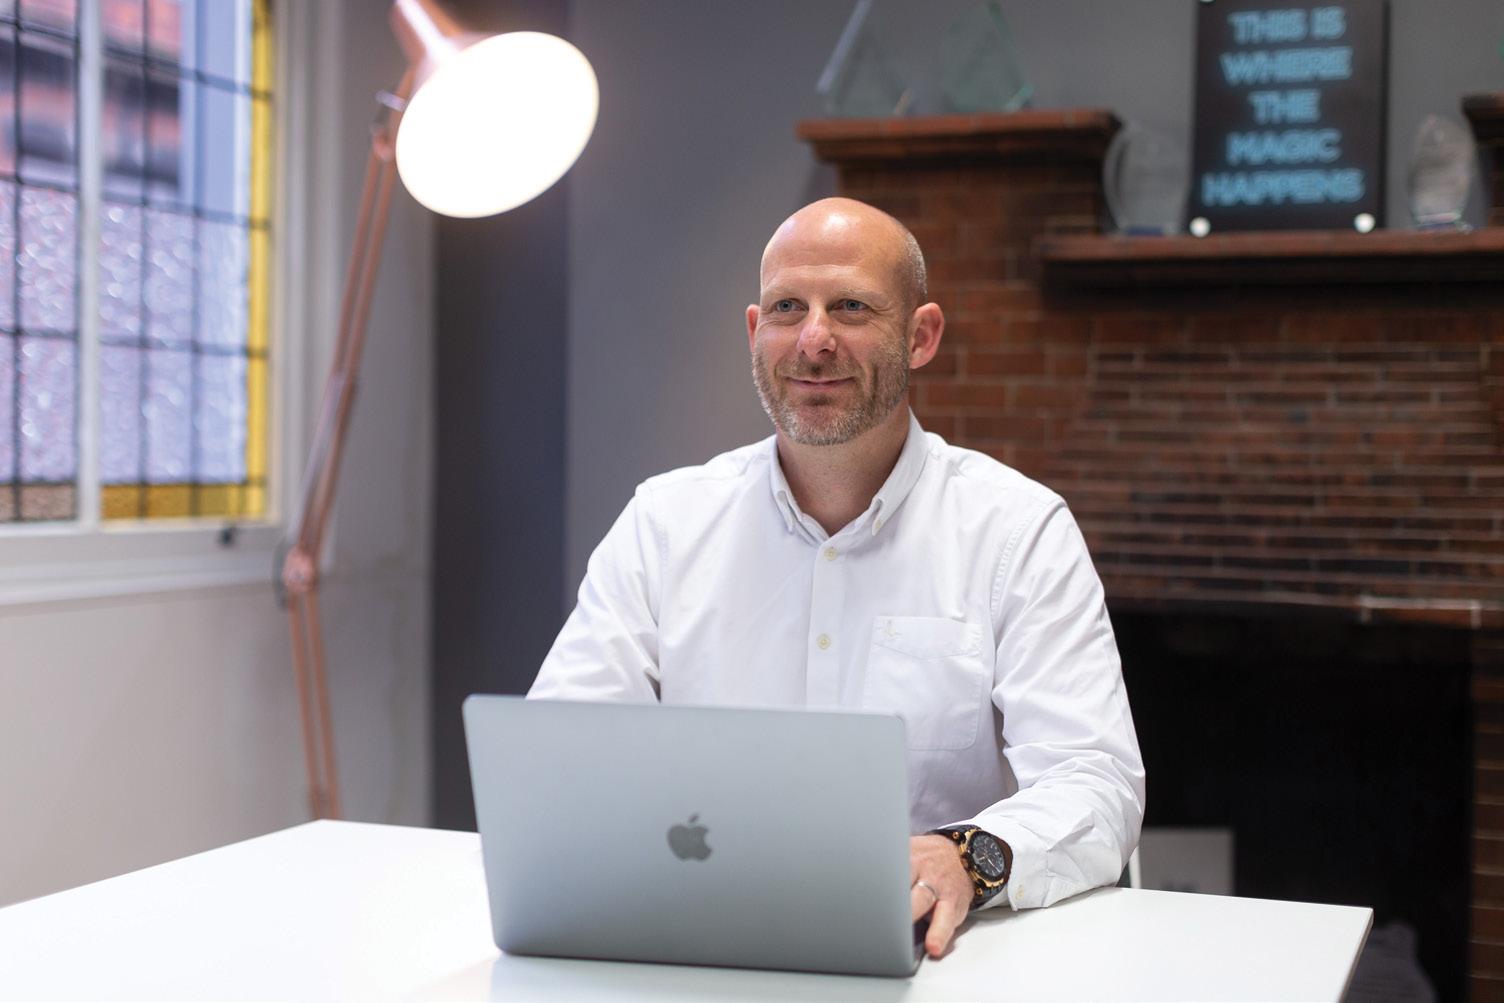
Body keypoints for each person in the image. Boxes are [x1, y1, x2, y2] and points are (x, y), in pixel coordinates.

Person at [529, 196, 1145, 958]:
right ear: (755, 332)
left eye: (851, 307)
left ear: (921, 336)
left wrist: (965, 856)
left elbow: (1096, 779)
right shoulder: (665, 522)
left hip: (939, 958)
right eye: (788, 307)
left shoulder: (1018, 531)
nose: (814, 340)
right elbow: (560, 752)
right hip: (698, 941)